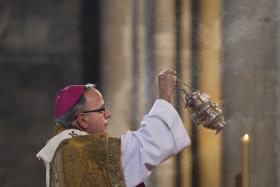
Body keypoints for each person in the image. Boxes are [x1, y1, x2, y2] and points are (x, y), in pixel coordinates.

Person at [37, 70, 191, 187]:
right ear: (83, 120)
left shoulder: (61, 148)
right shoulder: (84, 150)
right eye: (101, 110)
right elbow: (142, 147)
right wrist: (164, 96)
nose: (108, 114)